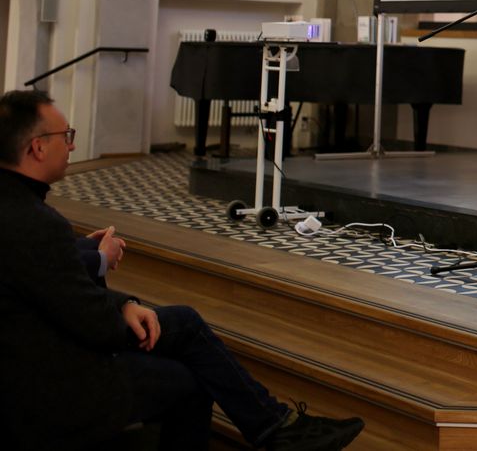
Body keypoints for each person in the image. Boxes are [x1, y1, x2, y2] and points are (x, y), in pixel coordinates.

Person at [0, 89, 365, 451]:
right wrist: (123, 310)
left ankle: (277, 428)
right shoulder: (37, 223)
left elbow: (44, 276)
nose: (72, 146)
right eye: (66, 136)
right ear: (37, 147)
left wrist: (121, 300)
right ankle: (278, 429)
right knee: (189, 377)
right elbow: (92, 324)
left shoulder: (17, 207)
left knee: (183, 331)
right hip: (45, 383)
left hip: (27, 355)